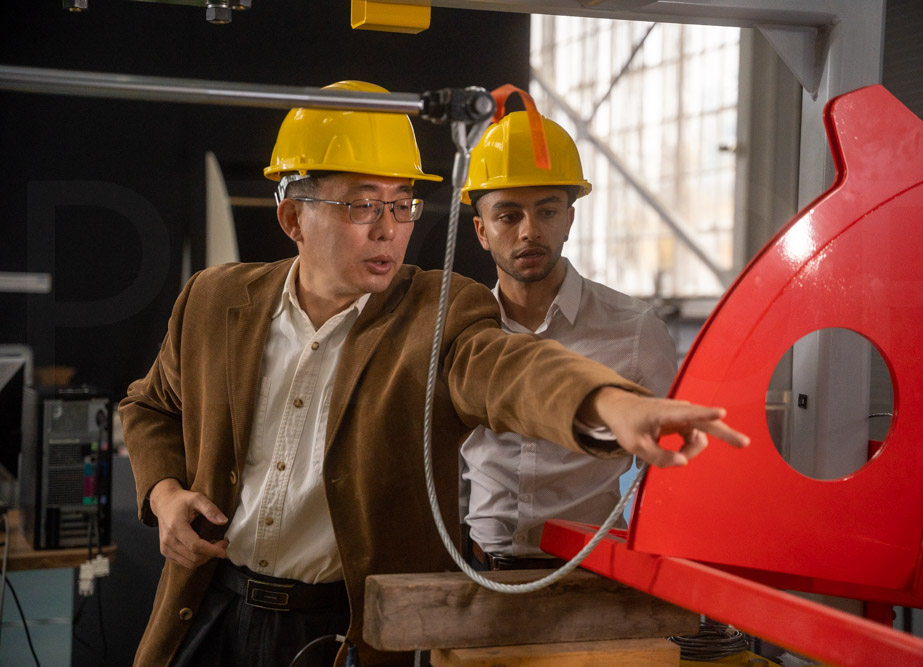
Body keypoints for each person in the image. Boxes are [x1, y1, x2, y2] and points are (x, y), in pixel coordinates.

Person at [120, 81, 749, 667]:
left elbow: (506, 368)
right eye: (362, 204)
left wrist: (607, 403)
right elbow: (150, 407)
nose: (388, 228)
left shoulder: (439, 309)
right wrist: (164, 493)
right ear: (293, 218)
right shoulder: (213, 300)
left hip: (344, 629)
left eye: (401, 205)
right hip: (209, 608)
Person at [459, 111, 679, 570]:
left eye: (547, 210)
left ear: (569, 219)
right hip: (476, 566)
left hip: (592, 572)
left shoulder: (635, 331)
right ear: (481, 230)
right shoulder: (462, 332)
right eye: (508, 215)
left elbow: (669, 471)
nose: (529, 231)